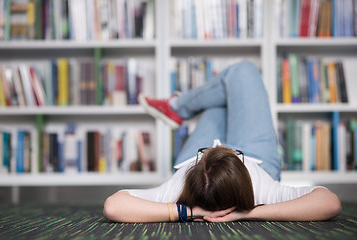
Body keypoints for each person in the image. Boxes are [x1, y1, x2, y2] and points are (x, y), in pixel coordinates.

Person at [103, 61, 341, 223]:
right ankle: (177, 106)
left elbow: (114, 206)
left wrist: (185, 211)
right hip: (257, 156)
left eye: (204, 153)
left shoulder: (176, 191)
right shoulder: (262, 190)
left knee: (217, 104)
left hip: (204, 179)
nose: (217, 145)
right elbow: (329, 202)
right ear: (239, 160)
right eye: (229, 152)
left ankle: (176, 107)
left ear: (193, 171)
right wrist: (251, 214)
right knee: (242, 71)